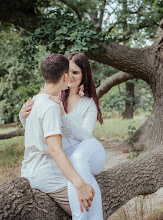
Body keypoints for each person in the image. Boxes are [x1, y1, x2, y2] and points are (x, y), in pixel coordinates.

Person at [20, 52, 106, 220]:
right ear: (64, 76)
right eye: (70, 72)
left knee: (83, 170)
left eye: (77, 72)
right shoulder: (52, 104)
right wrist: (80, 185)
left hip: (32, 168)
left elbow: (84, 135)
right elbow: (55, 151)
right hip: (49, 172)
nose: (72, 77)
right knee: (89, 202)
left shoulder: (38, 100)